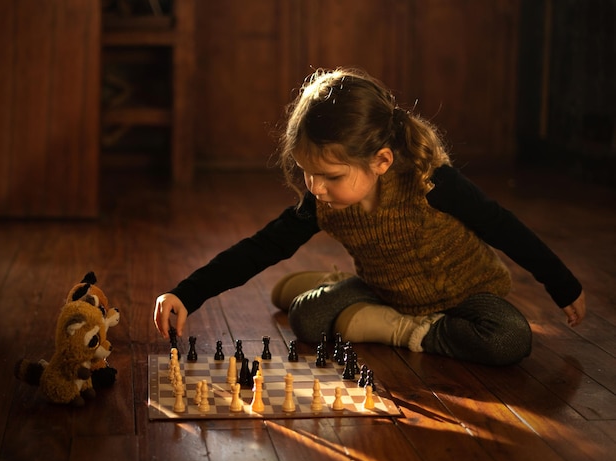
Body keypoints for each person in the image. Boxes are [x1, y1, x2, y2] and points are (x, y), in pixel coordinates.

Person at [153, 68, 586, 366]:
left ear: (380, 160)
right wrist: (186, 294)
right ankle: (345, 290)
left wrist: (561, 283)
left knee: (510, 338)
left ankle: (400, 329)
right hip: (383, 288)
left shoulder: (428, 182)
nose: (316, 188)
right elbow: (262, 247)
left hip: (466, 294)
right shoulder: (323, 203)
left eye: (330, 176)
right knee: (305, 321)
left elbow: (502, 225)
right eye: (308, 173)